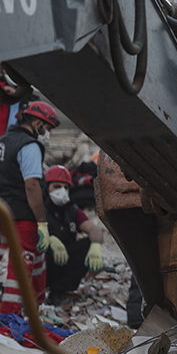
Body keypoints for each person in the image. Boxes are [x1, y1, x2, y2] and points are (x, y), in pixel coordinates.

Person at [0, 101, 60, 315]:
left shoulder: (4, 141)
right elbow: (32, 185)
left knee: (14, 262)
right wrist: (42, 222)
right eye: (48, 128)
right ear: (37, 123)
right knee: (20, 269)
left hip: (3, 212)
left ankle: (31, 310)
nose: (48, 134)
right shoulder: (30, 146)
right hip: (22, 216)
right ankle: (9, 318)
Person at [42, 166, 105, 306]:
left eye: (66, 187)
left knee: (87, 243)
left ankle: (59, 292)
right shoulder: (39, 209)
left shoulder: (71, 210)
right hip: (45, 262)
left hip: (65, 261)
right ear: (46, 188)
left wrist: (95, 246)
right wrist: (50, 239)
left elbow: (94, 229)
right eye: (57, 186)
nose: (62, 191)